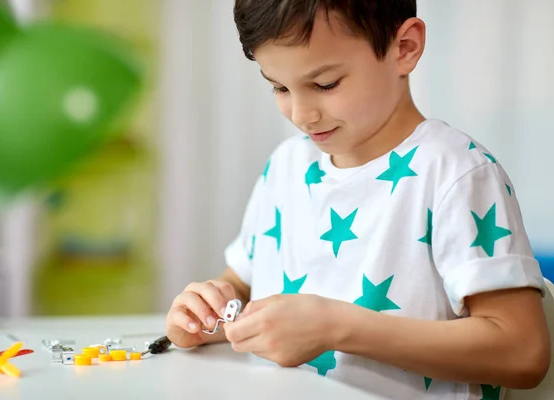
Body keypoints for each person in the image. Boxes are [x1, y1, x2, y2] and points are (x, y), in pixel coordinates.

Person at [165, 1, 551, 398]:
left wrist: (336, 327)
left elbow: (523, 352)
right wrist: (204, 313)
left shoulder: (457, 174)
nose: (301, 114)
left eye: (326, 84)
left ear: (404, 47)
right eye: (279, 87)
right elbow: (240, 286)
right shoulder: (286, 167)